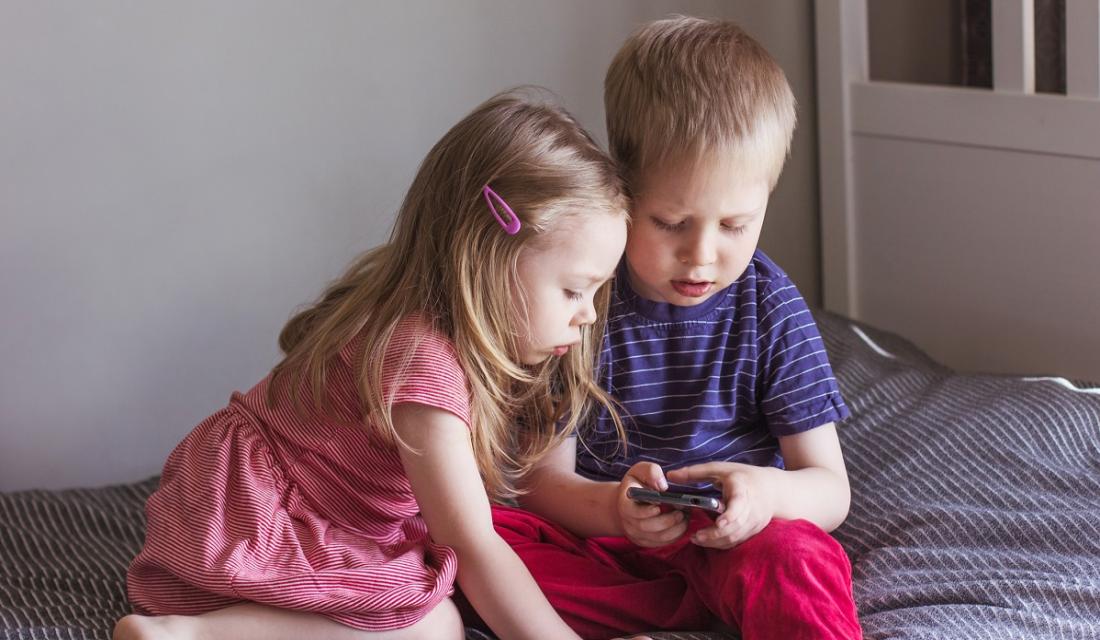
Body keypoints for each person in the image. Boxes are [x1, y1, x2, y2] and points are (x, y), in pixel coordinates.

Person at [113, 88, 634, 640]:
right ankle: (188, 636)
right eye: (574, 290)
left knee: (434, 609)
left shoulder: (406, 310)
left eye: (596, 292)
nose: (586, 316)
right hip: (254, 526)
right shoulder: (423, 362)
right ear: (486, 254)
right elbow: (471, 542)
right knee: (436, 627)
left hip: (259, 507)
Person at [490, 17, 863, 640]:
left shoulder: (770, 309)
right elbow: (542, 482)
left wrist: (766, 495)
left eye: (735, 225)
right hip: (608, 544)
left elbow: (830, 488)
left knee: (797, 559)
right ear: (620, 192)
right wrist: (615, 509)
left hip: (735, 545)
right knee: (473, 544)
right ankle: (682, 611)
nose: (701, 255)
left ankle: (714, 603)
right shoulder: (582, 304)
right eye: (670, 223)